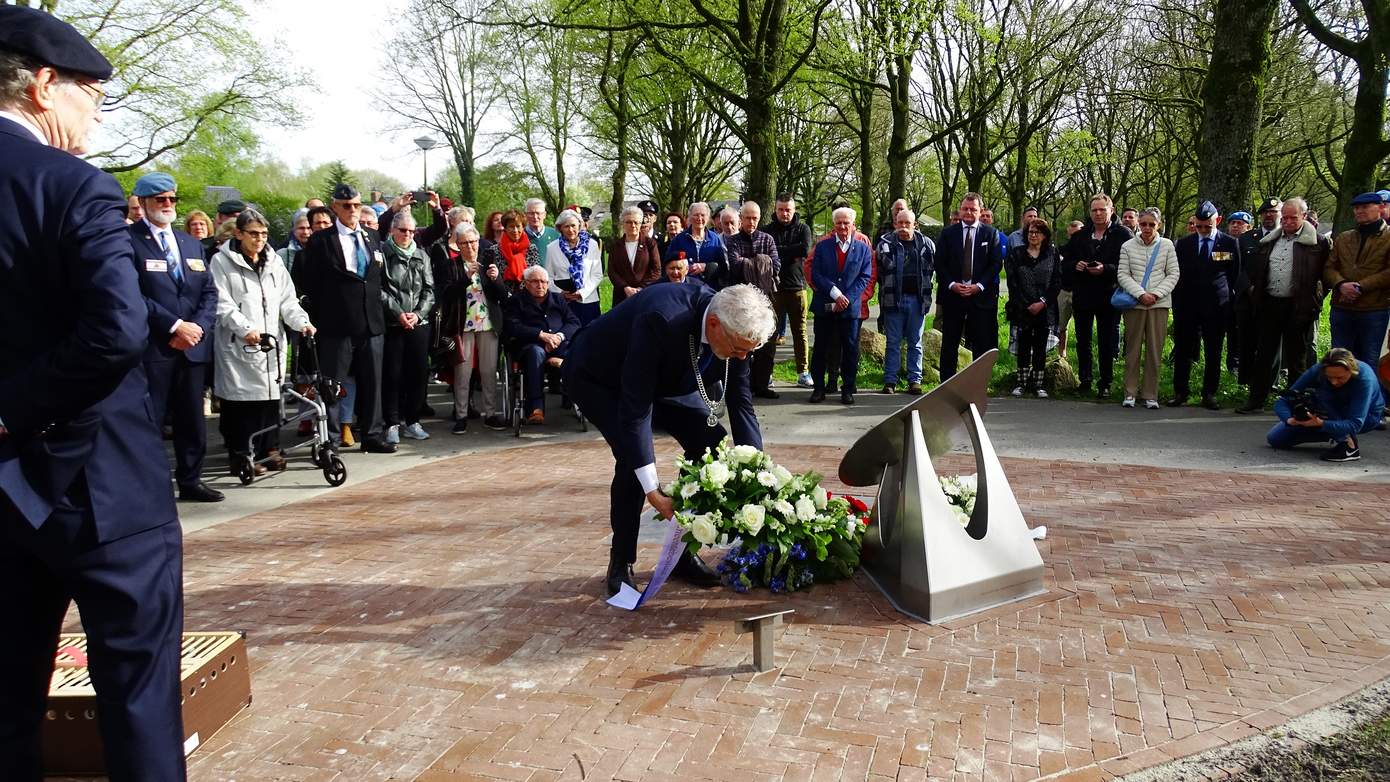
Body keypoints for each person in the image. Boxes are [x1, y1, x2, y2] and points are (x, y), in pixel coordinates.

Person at [0, 11, 185, 777]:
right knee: (138, 704)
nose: (97, 118)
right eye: (93, 98)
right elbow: (113, 331)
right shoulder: (72, 186)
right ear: (44, 86)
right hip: (103, 487)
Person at [561, 283, 774, 597]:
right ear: (713, 325)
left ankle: (681, 554)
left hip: (665, 377)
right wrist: (653, 492)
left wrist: (755, 471)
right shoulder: (661, 318)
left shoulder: (736, 324)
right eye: (739, 349)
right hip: (600, 377)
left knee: (709, 442)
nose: (742, 357)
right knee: (632, 457)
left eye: (748, 351)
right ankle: (621, 563)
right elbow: (635, 411)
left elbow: (741, 402)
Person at [128, 171, 223, 502]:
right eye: (160, 199)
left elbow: (209, 291)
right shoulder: (129, 241)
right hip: (157, 345)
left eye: (172, 199)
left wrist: (197, 327)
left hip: (192, 346)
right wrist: (174, 326)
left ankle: (191, 479)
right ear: (142, 203)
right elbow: (132, 294)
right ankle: (150, 487)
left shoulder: (189, 242)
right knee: (151, 420)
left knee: (192, 419)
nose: (167, 205)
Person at [293, 183, 396, 453]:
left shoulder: (372, 237)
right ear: (335, 207)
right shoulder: (321, 240)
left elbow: (377, 279)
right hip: (337, 325)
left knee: (373, 383)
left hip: (371, 323)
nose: (352, 211)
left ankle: (373, 434)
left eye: (356, 205)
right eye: (346, 206)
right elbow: (311, 283)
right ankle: (332, 438)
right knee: (333, 386)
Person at [210, 209, 315, 471]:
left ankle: (270, 447)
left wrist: (302, 322)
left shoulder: (274, 261)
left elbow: (287, 299)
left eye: (264, 234)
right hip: (240, 343)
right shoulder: (222, 262)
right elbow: (222, 304)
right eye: (253, 234)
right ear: (238, 233)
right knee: (241, 402)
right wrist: (245, 328)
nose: (259, 239)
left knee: (269, 398)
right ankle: (242, 454)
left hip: (270, 342)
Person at [1238, 198, 1330, 413]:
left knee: (1297, 357)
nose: (1287, 221)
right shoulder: (1271, 240)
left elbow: (1326, 277)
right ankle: (1256, 399)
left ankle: (1297, 403)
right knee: (1264, 354)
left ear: (1304, 217)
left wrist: (1314, 301)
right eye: (1285, 217)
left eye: (1292, 217)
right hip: (1270, 304)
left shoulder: (1318, 243)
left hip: (1298, 307)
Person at [436, 224, 508, 433]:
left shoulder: (488, 263)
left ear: (479, 242)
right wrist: (465, 278)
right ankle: (461, 415)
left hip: (488, 323)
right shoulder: (450, 265)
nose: (470, 246)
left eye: (473, 242)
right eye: (465, 243)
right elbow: (446, 295)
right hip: (463, 324)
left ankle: (491, 414)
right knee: (463, 372)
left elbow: (502, 297)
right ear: (458, 245)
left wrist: (496, 280)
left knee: (488, 371)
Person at [1170, 200, 1240, 409]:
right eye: (1198, 226)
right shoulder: (1184, 244)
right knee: (1183, 349)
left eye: (1207, 226)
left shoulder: (1228, 243)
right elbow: (1178, 275)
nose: (1202, 230)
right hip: (1187, 306)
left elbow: (1234, 275)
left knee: (1213, 350)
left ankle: (1209, 393)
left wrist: (1229, 302)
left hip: (1216, 306)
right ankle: (1180, 392)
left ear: (1217, 221)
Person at [1060, 194, 1131, 397]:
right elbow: (1064, 262)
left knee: (1106, 340)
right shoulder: (1080, 235)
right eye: (1094, 210)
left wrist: (1106, 269)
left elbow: (1129, 266)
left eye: (1102, 210)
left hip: (1109, 294)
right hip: (1083, 294)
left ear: (1112, 210)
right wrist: (1076, 265)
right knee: (1083, 340)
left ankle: (1106, 382)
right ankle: (1085, 380)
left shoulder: (1123, 235)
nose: (1098, 214)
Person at [934, 193, 1005, 381]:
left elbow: (996, 264)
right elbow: (939, 263)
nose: (968, 212)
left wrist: (979, 286)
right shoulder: (948, 234)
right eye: (965, 208)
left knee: (980, 344)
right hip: (953, 296)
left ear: (980, 211)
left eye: (973, 209)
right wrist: (951, 284)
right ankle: (947, 383)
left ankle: (977, 383)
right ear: (960, 209)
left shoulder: (990, 234)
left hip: (980, 298)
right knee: (950, 342)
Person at [1267, 348, 1383, 462]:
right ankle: (1333, 431)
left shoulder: (1364, 378)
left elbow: (1355, 423)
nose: (1334, 382)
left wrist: (1321, 423)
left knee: (1322, 395)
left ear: (1351, 370)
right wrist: (1290, 419)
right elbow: (1283, 400)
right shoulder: (1317, 370)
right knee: (1275, 438)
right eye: (1329, 377)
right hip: (1327, 413)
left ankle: (1348, 446)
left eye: (1339, 378)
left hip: (1366, 417)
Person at [380, 210, 435, 444]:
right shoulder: (382, 253)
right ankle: (392, 423)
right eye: (403, 230)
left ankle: (412, 420)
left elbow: (430, 290)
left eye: (412, 231)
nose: (408, 235)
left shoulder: (422, 255)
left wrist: (418, 314)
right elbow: (379, 289)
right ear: (393, 230)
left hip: (419, 323)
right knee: (392, 375)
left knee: (418, 374)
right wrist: (399, 313)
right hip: (393, 323)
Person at [808, 207, 873, 404]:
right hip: (825, 305)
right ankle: (819, 388)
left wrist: (847, 298)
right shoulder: (822, 246)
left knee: (850, 349)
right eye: (839, 223)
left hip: (849, 309)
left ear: (853, 225)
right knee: (820, 348)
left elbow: (865, 277)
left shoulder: (863, 249)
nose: (843, 226)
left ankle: (847, 389)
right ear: (834, 225)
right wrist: (835, 294)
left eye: (846, 223)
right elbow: (816, 274)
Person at [1115, 208, 1179, 409]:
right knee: (1132, 350)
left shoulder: (1167, 245)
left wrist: (1157, 294)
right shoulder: (1127, 246)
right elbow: (1123, 275)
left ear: (1158, 225)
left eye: (1152, 224)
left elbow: (1173, 273)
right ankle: (1130, 392)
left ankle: (1151, 394)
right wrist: (1141, 294)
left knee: (1154, 350)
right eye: (1143, 224)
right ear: (1138, 224)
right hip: (1135, 304)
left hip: (1159, 305)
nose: (1147, 228)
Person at [504, 266, 580, 423]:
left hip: (559, 344)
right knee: (536, 353)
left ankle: (573, 397)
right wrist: (541, 335)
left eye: (544, 282)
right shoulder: (516, 301)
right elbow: (513, 326)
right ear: (525, 283)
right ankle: (536, 408)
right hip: (530, 347)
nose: (540, 285)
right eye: (535, 282)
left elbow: (574, 322)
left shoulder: (558, 299)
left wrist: (558, 337)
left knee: (573, 351)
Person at [1324, 191, 1390, 367]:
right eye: (1356, 208)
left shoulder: (1388, 238)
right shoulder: (1344, 237)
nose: (1359, 211)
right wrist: (1341, 284)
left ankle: (1369, 395)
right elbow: (1329, 267)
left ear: (1381, 207)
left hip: (1374, 309)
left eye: (1365, 207)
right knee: (1339, 359)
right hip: (1342, 307)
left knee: (1370, 360)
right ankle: (1341, 394)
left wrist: (1360, 286)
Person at [725, 201, 781, 398]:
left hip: (765, 299)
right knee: (742, 343)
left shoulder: (768, 239)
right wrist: (760, 262)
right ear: (741, 219)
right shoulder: (732, 241)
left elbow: (775, 265)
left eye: (755, 218)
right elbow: (734, 265)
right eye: (747, 218)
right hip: (740, 300)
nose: (751, 221)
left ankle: (762, 385)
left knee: (766, 343)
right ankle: (743, 385)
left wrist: (749, 263)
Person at [876, 208, 935, 395]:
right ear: (894, 224)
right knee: (892, 342)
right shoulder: (884, 244)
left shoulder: (927, 245)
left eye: (907, 223)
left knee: (915, 343)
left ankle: (914, 381)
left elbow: (934, 271)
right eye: (899, 223)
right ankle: (890, 381)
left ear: (914, 224)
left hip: (918, 300)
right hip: (893, 300)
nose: (903, 227)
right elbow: (878, 272)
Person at [1004, 218, 1063, 398]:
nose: (1033, 235)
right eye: (1030, 232)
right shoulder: (1016, 253)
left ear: (1045, 235)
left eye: (1037, 232)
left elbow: (1057, 282)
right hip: (1022, 307)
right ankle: (1021, 383)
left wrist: (1043, 302)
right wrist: (1025, 303)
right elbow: (1012, 282)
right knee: (1023, 346)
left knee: (1040, 346)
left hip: (1045, 309)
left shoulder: (1052, 254)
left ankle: (1038, 384)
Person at [763, 193, 814, 388]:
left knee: (800, 331)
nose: (785, 214)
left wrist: (779, 251)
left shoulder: (803, 228)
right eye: (781, 210)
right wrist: (788, 251)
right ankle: (766, 373)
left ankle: (803, 372)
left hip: (797, 287)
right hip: (773, 288)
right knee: (770, 333)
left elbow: (804, 249)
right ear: (775, 210)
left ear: (794, 210)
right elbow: (768, 252)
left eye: (788, 210)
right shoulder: (767, 230)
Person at [545, 209, 603, 325]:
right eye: (566, 226)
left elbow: (597, 274)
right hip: (564, 302)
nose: (571, 230)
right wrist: (561, 293)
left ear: (580, 225)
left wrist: (582, 293)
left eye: (573, 225)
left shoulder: (592, 245)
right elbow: (548, 277)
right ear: (560, 228)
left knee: (590, 336)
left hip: (588, 301)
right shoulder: (552, 248)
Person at [665, 202, 728, 289]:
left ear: (708, 217)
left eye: (703, 215)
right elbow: (668, 264)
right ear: (689, 217)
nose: (699, 218)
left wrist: (707, 267)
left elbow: (723, 267)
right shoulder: (679, 239)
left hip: (710, 289)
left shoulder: (715, 239)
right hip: (686, 288)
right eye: (696, 215)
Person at [607, 205, 661, 306]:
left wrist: (640, 289)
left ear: (640, 224)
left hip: (644, 294)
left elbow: (656, 271)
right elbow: (612, 271)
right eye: (629, 222)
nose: (633, 225)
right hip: (622, 295)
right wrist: (625, 287)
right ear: (622, 224)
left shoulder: (650, 244)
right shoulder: (616, 245)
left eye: (636, 222)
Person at [497, 208, 540, 293]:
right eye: (511, 227)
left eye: (518, 226)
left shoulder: (531, 248)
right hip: (504, 297)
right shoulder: (496, 250)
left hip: (528, 296)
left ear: (523, 227)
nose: (515, 230)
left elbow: (536, 274)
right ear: (505, 228)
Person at [277, 208, 313, 272]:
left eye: (309, 228)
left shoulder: (324, 251)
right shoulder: (282, 254)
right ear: (293, 230)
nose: (305, 232)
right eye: (301, 228)